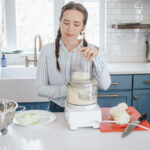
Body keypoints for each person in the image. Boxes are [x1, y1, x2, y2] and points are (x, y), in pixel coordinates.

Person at [36, 2, 111, 112]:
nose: (70, 29)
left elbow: (105, 85)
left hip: (85, 108)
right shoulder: (46, 50)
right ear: (59, 22)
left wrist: (97, 57)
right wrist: (70, 89)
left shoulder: (92, 50)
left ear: (83, 27)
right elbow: (40, 89)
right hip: (56, 109)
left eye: (76, 24)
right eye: (66, 22)